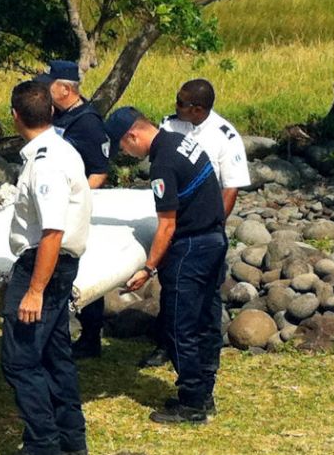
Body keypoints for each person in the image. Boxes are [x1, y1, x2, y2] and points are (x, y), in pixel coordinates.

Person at [104, 106, 228, 424]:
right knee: (203, 320)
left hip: (190, 248)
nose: (125, 154)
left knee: (178, 326)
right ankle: (203, 393)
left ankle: (192, 404)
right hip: (214, 238)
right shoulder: (179, 141)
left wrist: (148, 268)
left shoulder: (162, 163)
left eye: (123, 147)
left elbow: (167, 226)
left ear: (132, 135)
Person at [1, 81, 91, 455]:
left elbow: (53, 231)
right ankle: (71, 439)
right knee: (55, 357)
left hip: (43, 266)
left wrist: (34, 290)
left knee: (20, 362)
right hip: (57, 264)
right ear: (52, 112)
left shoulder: (45, 164)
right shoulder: (63, 149)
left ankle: (43, 444)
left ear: (15, 116)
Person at [139, 78, 251, 368]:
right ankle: (166, 344)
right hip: (174, 219)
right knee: (171, 286)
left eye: (181, 102)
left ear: (198, 109)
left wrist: (212, 224)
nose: (175, 106)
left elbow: (231, 187)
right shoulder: (170, 125)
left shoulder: (224, 136)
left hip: (203, 225)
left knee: (207, 295)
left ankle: (207, 352)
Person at [34, 60, 109, 361]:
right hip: (55, 201)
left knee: (83, 269)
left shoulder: (88, 121)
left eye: (48, 85)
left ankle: (90, 337)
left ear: (65, 89)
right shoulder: (59, 117)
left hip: (76, 209)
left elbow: (100, 170)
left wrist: (78, 201)